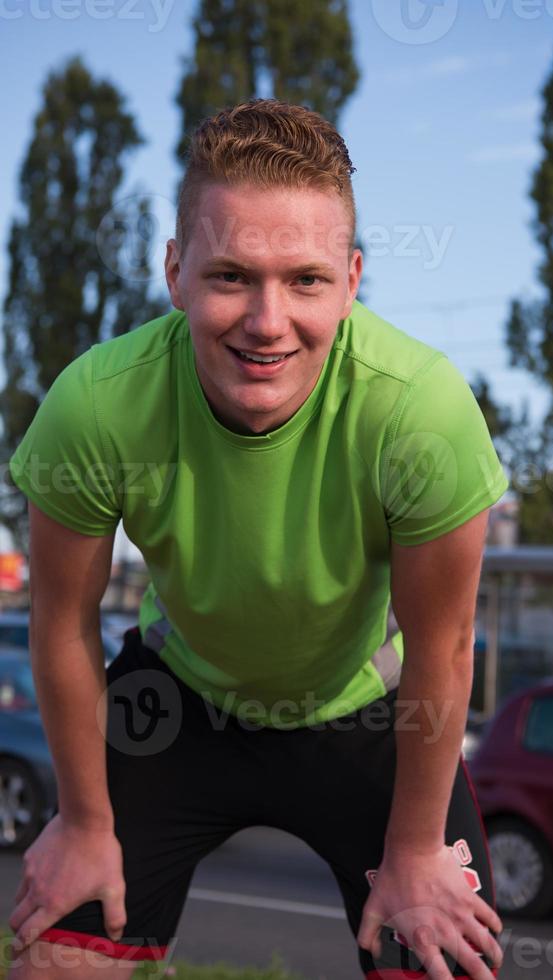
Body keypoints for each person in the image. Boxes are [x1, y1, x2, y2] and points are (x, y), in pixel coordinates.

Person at [7, 99, 508, 980]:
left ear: (352, 279)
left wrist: (419, 850)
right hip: (179, 701)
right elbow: (60, 626)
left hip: (366, 710)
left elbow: (443, 646)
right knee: (56, 957)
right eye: (232, 275)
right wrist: (85, 823)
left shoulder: (420, 410)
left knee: (447, 961)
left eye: (306, 280)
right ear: (174, 271)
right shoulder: (95, 404)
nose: (268, 321)